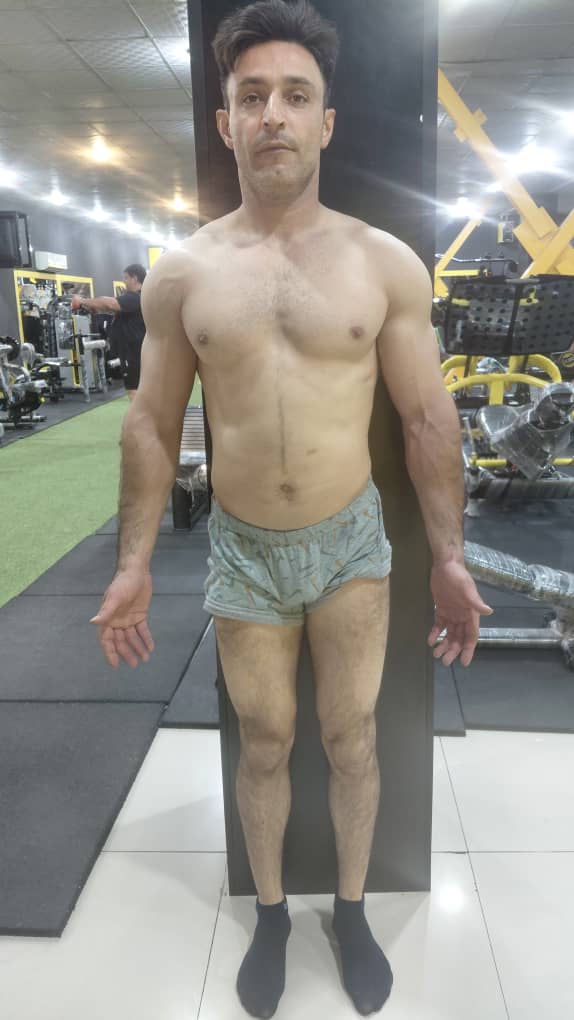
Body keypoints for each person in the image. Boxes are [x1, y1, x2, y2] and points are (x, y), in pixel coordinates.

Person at [90, 1, 493, 1015]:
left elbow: (427, 420)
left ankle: (349, 911)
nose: (274, 114)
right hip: (243, 551)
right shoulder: (182, 274)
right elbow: (150, 424)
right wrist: (133, 563)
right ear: (225, 122)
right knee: (264, 740)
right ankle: (272, 912)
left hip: (350, 543)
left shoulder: (382, 262)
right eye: (253, 96)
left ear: (326, 122)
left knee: (351, 737)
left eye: (295, 96)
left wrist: (450, 556)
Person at [71, 264, 147, 401]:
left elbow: (110, 303)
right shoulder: (141, 297)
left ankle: (140, 415)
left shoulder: (135, 297)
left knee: (134, 391)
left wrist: (81, 301)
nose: (124, 281)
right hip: (135, 350)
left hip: (133, 351)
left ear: (135, 278)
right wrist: (92, 305)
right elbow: (112, 308)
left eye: (126, 278)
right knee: (141, 389)